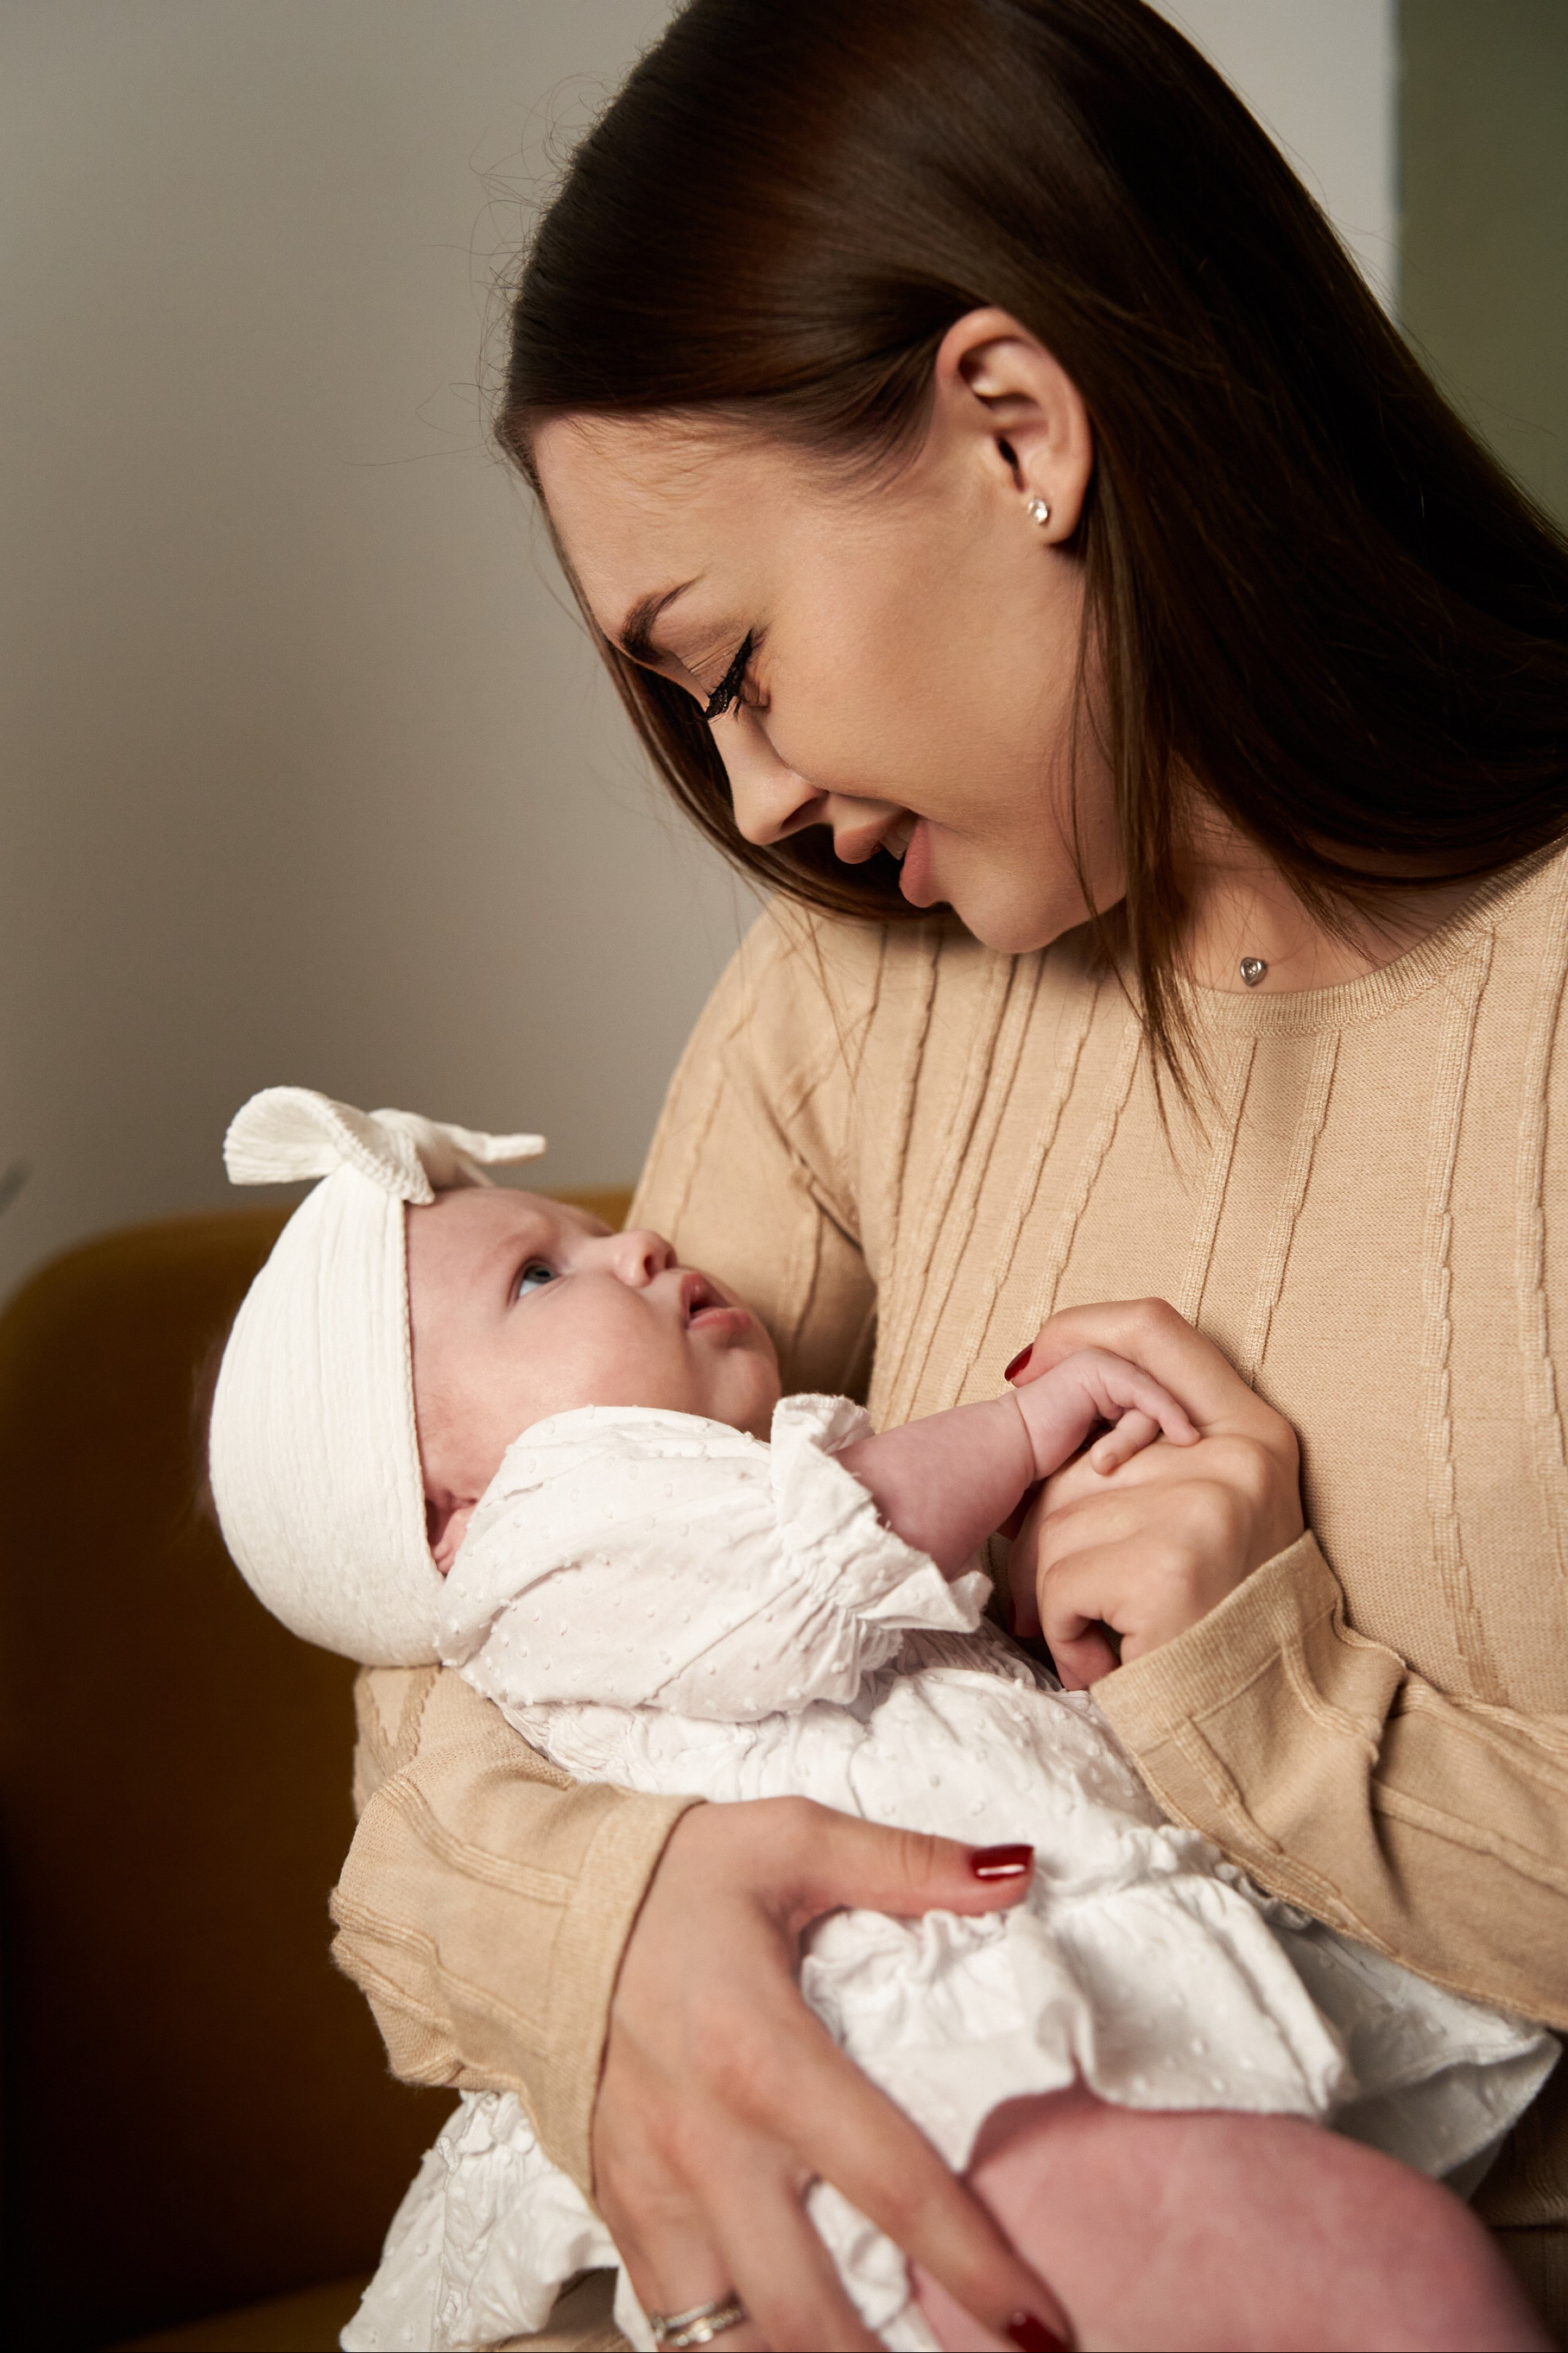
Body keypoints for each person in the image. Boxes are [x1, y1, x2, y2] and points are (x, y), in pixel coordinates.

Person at [326, 2, 1568, 2346]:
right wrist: (631, 1929)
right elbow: (461, 1628)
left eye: (738, 665)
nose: (760, 796)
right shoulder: (853, 996)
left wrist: (1264, 1700)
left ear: (1020, 429)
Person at [205, 1088, 1549, 2353]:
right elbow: (838, 1540)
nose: (635, 1242)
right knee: (1391, 2276)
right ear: (447, 1518)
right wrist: (1027, 1427)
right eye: (538, 1277)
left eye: (586, 1229)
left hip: (987, 2059)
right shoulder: (560, 1532)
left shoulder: (668, 1522)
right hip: (924, 2071)